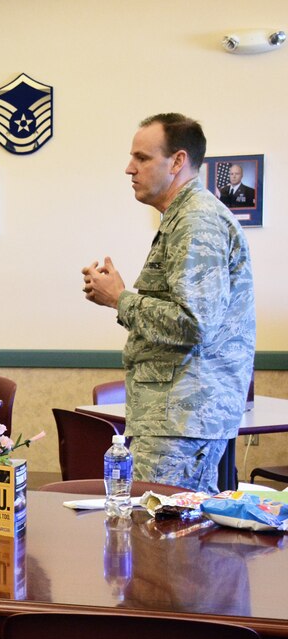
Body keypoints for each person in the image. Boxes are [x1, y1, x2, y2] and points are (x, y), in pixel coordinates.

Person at [82, 113, 254, 494]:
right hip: (174, 415)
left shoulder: (197, 221)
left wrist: (121, 299)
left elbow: (195, 324)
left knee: (159, 540)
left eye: (142, 158)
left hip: (181, 419)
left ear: (177, 162)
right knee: (165, 541)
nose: (130, 168)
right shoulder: (182, 217)